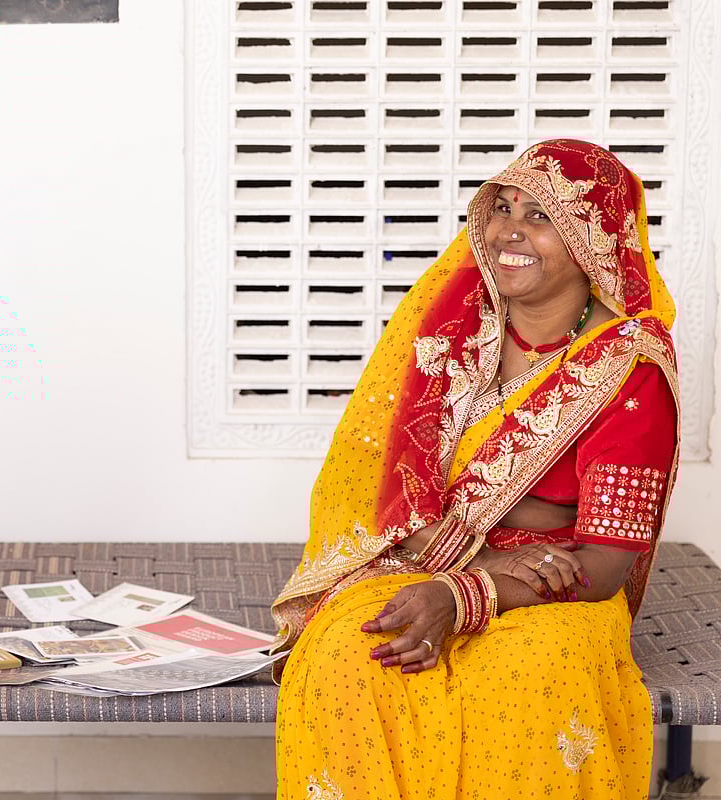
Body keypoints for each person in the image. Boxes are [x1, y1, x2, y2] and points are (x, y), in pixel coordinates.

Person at [273, 139, 678, 799]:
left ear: (593, 238)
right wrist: (477, 553)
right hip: (421, 555)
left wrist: (464, 596)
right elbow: (385, 481)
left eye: (541, 215)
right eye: (503, 208)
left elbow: (603, 565)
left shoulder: (628, 371)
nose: (509, 230)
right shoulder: (455, 327)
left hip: (555, 593)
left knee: (528, 678)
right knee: (350, 654)